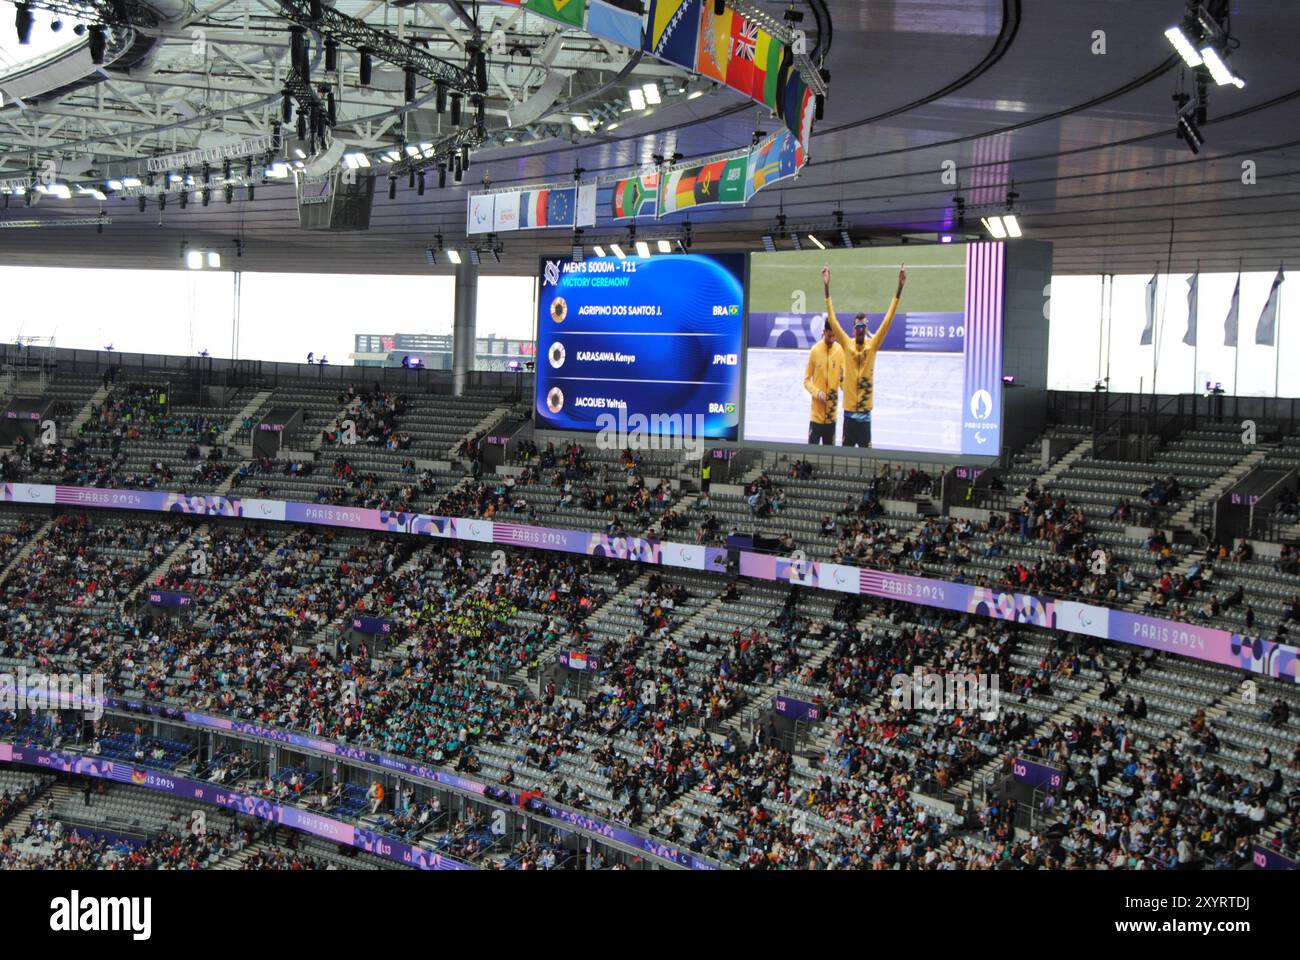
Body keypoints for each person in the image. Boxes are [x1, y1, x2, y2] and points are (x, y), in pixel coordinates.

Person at [821, 263, 907, 447]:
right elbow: (833, 319)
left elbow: (888, 319)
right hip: (849, 417)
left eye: (863, 327)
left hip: (865, 418)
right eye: (858, 327)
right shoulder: (846, 344)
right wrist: (826, 288)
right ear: (853, 329)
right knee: (845, 462)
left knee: (865, 462)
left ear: (866, 328)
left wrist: (899, 289)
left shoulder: (873, 345)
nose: (860, 330)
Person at [803, 309, 846, 445]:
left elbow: (843, 385)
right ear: (824, 332)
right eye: (829, 336)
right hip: (815, 418)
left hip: (831, 418)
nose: (832, 340)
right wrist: (817, 393)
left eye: (834, 337)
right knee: (811, 456)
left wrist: (844, 381)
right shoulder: (814, 351)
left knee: (829, 458)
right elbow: (806, 380)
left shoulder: (840, 351)